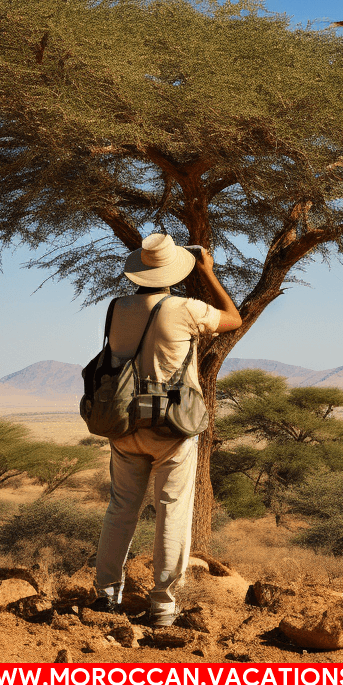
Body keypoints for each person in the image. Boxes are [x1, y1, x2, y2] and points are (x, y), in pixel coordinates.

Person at [89, 233, 241, 627]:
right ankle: (164, 606)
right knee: (172, 512)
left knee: (120, 510)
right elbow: (233, 318)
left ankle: (106, 596)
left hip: (122, 423)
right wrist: (207, 273)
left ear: (138, 270)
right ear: (175, 270)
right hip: (171, 427)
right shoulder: (186, 309)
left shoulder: (117, 308)